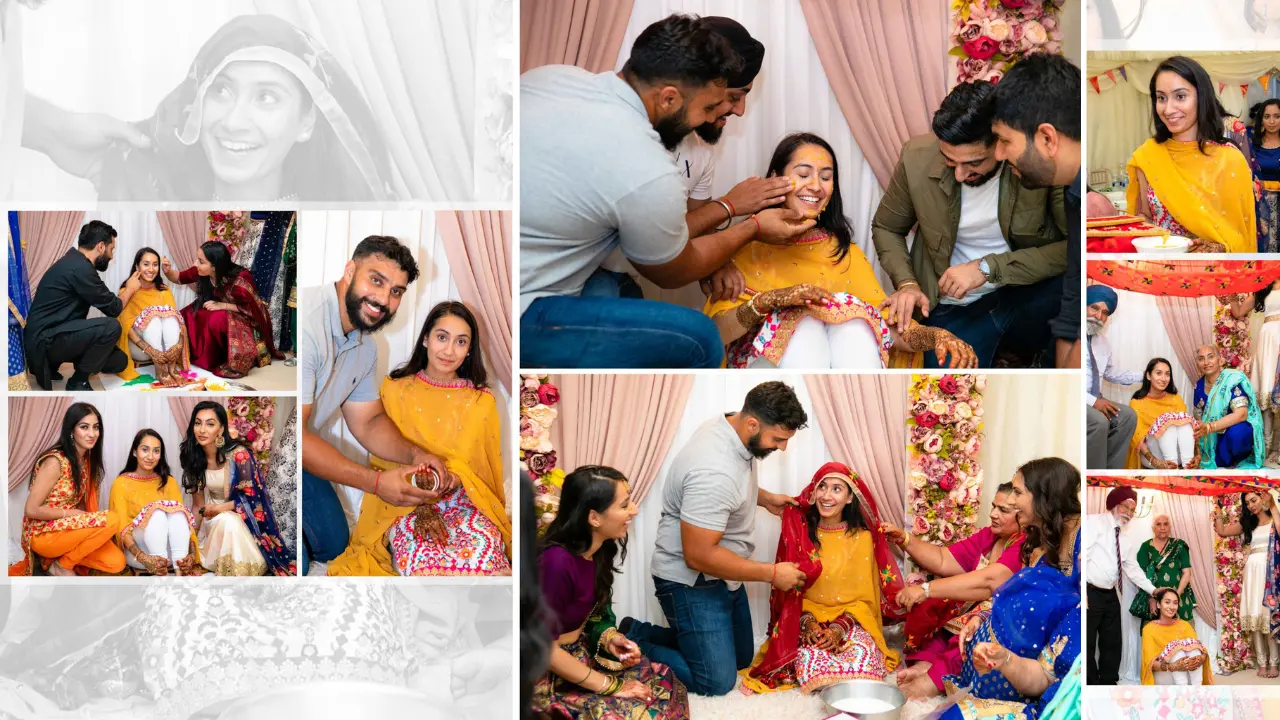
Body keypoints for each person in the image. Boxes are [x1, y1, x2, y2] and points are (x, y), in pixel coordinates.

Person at [519, 14, 817, 369]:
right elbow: (672, 270)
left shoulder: (551, 76)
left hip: (520, 268)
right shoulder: (645, 166)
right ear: (670, 98)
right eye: (708, 106)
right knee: (699, 338)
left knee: (628, 294)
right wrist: (750, 223)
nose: (710, 118)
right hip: (525, 304)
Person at [702, 133, 978, 369]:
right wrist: (770, 301)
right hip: (765, 373)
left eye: (826, 177)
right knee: (804, 325)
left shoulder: (842, 252)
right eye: (802, 174)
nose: (815, 186)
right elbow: (714, 333)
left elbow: (887, 325)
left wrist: (937, 337)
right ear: (775, 178)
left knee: (856, 326)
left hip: (840, 361)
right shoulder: (744, 243)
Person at [620, 381, 809, 696]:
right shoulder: (714, 469)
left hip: (720, 573)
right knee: (716, 681)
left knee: (741, 658)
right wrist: (773, 574)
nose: (782, 447)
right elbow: (698, 556)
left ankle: (669, 637)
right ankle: (635, 638)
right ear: (752, 423)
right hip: (689, 579)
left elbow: (726, 491)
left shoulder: (730, 426)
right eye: (777, 439)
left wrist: (762, 498)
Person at [94, 14, 393, 202]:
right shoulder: (141, 185)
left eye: (267, 97)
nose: (234, 121)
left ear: (306, 122)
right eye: (221, 90)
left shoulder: (334, 224)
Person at [874, 80, 1067, 369]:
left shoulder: (1038, 163)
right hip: (952, 309)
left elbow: (1073, 247)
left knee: (1072, 294)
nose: (961, 175)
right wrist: (907, 283)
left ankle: (1023, 357)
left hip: (1028, 294)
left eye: (974, 163)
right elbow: (887, 227)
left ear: (1002, 144)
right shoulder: (916, 157)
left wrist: (987, 268)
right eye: (950, 161)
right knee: (948, 385)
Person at [299, 236, 451, 576]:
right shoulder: (308, 326)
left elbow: (367, 421)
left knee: (334, 546)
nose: (383, 299)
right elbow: (295, 435)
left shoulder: (367, 346)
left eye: (396, 291)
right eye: (376, 280)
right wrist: (377, 483)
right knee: (295, 559)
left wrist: (416, 455)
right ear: (350, 270)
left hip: (302, 453)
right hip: (272, 448)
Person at [327, 301, 511, 577]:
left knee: (484, 557)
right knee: (426, 565)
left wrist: (453, 479)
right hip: (403, 500)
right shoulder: (396, 389)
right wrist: (422, 505)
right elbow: (385, 460)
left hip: (464, 501)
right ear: (425, 338)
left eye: (461, 342)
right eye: (441, 337)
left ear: (470, 349)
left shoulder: (480, 401)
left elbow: (481, 470)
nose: (449, 350)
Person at [533, 466, 689, 718]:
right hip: (544, 672)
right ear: (594, 518)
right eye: (625, 505)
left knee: (663, 681)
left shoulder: (597, 552)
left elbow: (594, 615)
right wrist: (611, 686)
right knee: (634, 711)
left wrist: (610, 638)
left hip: (578, 653)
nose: (634, 510)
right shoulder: (555, 563)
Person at [740, 463, 905, 694]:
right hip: (808, 619)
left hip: (850, 621)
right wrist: (808, 624)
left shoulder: (864, 539)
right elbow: (791, 592)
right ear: (813, 492)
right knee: (811, 659)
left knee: (863, 662)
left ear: (850, 498)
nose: (827, 496)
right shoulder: (801, 536)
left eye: (837, 489)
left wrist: (839, 629)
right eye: (822, 487)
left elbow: (866, 600)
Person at [938, 457, 1080, 719]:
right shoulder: (1039, 538)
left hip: (1026, 682)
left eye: (1017, 492)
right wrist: (980, 617)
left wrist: (1006, 661)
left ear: (1044, 495)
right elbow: (1011, 594)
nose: (1011, 502)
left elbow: (1054, 666)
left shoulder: (1083, 549)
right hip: (989, 670)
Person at [886, 483, 1027, 699]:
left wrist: (926, 589)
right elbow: (944, 560)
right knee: (929, 606)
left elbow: (989, 582)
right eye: (993, 507)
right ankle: (926, 662)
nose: (993, 514)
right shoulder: (990, 536)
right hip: (968, 605)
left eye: (1003, 510)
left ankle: (931, 681)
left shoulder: (1024, 544)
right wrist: (905, 540)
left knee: (970, 631)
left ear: (1024, 514)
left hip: (996, 612)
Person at [991, 52, 1084, 370]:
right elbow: (1073, 299)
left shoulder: (1090, 205)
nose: (1000, 154)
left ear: (1047, 138)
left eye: (1005, 140)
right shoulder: (1072, 193)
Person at [1127, 56, 1257, 253]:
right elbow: (1144, 217)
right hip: (1160, 270)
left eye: (1180, 96)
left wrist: (1217, 248)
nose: (1168, 109)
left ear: (1201, 97)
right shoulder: (1148, 155)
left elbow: (1242, 234)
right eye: (1161, 98)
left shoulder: (1230, 160)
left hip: (1213, 276)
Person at [22, 220, 140, 390]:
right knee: (112, 327)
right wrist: (130, 289)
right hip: (45, 342)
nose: (112, 256)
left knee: (119, 361)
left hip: (50, 335)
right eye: (111, 250)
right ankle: (78, 381)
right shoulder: (80, 268)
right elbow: (113, 309)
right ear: (100, 246)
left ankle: (63, 366)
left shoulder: (73, 261)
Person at [183, 400, 294, 576]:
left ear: (221, 429)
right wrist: (191, 542)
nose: (202, 430)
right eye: (198, 423)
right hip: (214, 523)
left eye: (210, 424)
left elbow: (254, 499)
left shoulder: (238, 455)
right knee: (224, 521)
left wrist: (221, 508)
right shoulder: (195, 460)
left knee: (228, 520)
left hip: (244, 521)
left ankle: (242, 568)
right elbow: (198, 507)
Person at [21, 402, 126, 576]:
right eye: (84, 427)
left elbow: (82, 505)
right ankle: (63, 565)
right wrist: (70, 514)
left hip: (69, 530)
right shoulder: (55, 462)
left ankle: (56, 560)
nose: (92, 434)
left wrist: (78, 518)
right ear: (71, 430)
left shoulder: (85, 461)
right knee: (112, 519)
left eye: (96, 427)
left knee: (117, 563)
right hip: (43, 534)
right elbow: (31, 510)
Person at [161, 240, 283, 378]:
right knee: (187, 314)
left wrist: (222, 306)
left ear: (214, 266)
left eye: (201, 261)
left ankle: (214, 359)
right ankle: (189, 354)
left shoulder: (240, 279)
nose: (196, 264)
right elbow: (178, 278)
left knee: (215, 318)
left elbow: (253, 309)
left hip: (244, 318)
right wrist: (167, 271)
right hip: (216, 306)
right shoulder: (202, 271)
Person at [1084, 486, 1157, 685]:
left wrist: (1154, 590)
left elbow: (1133, 570)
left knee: (1112, 641)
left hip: (1110, 594)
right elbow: (1082, 557)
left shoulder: (1124, 538)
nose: (1129, 514)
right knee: (1088, 642)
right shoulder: (1093, 522)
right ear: (1114, 505)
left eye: (1132, 511)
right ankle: (1091, 684)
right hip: (1089, 592)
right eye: (1126, 507)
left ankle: (1108, 682)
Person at [107, 429, 199, 576]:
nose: (151, 456)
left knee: (177, 513)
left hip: (171, 553)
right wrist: (144, 559)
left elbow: (183, 523)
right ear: (135, 452)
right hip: (139, 554)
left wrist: (191, 555)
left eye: (156, 451)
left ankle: (180, 568)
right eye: (145, 450)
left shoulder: (169, 482)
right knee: (157, 513)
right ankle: (162, 573)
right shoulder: (121, 483)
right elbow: (121, 528)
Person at [1214, 489, 1280, 677]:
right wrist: (1218, 509)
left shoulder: (1274, 518)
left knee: (1268, 616)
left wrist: (1273, 505)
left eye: (1254, 500)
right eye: (1248, 503)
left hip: (1270, 572)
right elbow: (1222, 531)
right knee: (1254, 616)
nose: (1251, 505)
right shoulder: (1248, 524)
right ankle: (1261, 662)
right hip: (1252, 571)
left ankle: (1274, 663)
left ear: (1263, 498)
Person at [115, 246, 190, 387]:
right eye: (146, 264)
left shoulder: (164, 290)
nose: (151, 269)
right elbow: (125, 325)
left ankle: (171, 369)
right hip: (141, 349)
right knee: (154, 317)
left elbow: (177, 323)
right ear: (137, 266)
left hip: (166, 348)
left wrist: (178, 347)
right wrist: (151, 351)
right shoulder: (128, 290)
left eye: (155, 265)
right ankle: (161, 370)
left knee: (170, 315)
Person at [1085, 285, 1142, 469]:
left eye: (1105, 313)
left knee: (1128, 416)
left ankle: (1109, 469)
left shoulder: (1102, 342)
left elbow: (1110, 373)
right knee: (1099, 421)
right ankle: (1093, 470)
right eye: (1094, 308)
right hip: (1074, 396)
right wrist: (1094, 402)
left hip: (1095, 398)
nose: (1099, 316)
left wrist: (1145, 376)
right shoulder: (1070, 335)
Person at [1193, 343, 1265, 469]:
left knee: (1238, 432)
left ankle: (1239, 458)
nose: (1206, 362)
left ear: (1220, 360)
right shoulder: (1199, 386)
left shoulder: (1232, 379)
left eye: (1210, 357)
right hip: (1213, 439)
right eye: (1201, 359)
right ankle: (1218, 457)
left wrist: (1210, 427)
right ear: (1197, 364)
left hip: (1233, 434)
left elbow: (1242, 414)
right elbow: (1198, 417)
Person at [1127, 358, 1198, 469]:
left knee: (1184, 422)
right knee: (1167, 422)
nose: (1163, 379)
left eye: (1167, 374)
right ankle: (1172, 471)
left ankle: (1188, 466)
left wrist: (1197, 455)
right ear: (1148, 376)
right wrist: (1155, 462)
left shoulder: (1175, 399)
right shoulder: (1136, 403)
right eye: (1158, 373)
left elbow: (1188, 430)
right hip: (1151, 456)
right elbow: (1137, 439)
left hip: (1178, 455)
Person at [1131, 515, 1197, 625]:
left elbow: (1187, 572)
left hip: (1179, 598)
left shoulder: (1179, 545)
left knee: (1183, 637)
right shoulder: (1146, 547)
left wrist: (1176, 596)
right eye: (1158, 524)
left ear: (1170, 527)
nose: (1162, 527)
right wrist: (1152, 598)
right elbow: (1140, 576)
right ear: (1153, 528)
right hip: (1155, 601)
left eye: (1165, 524)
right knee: (1156, 636)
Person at [1140, 587, 1212, 686]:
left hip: (1190, 674)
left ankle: (1197, 690)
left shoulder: (1185, 625)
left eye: (1175, 603)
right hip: (1165, 674)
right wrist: (1173, 666)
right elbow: (1150, 664)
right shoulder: (1149, 629)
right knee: (1177, 651)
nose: (1172, 607)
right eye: (1167, 602)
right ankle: (1182, 694)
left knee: (1194, 650)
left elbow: (1200, 650)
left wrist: (1200, 658)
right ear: (1158, 604)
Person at [1249, 99, 1280, 252]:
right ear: (1261, 119)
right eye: (1267, 117)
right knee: (1263, 249)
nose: (1272, 121)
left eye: (1277, 116)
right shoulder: (1251, 145)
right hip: (1258, 206)